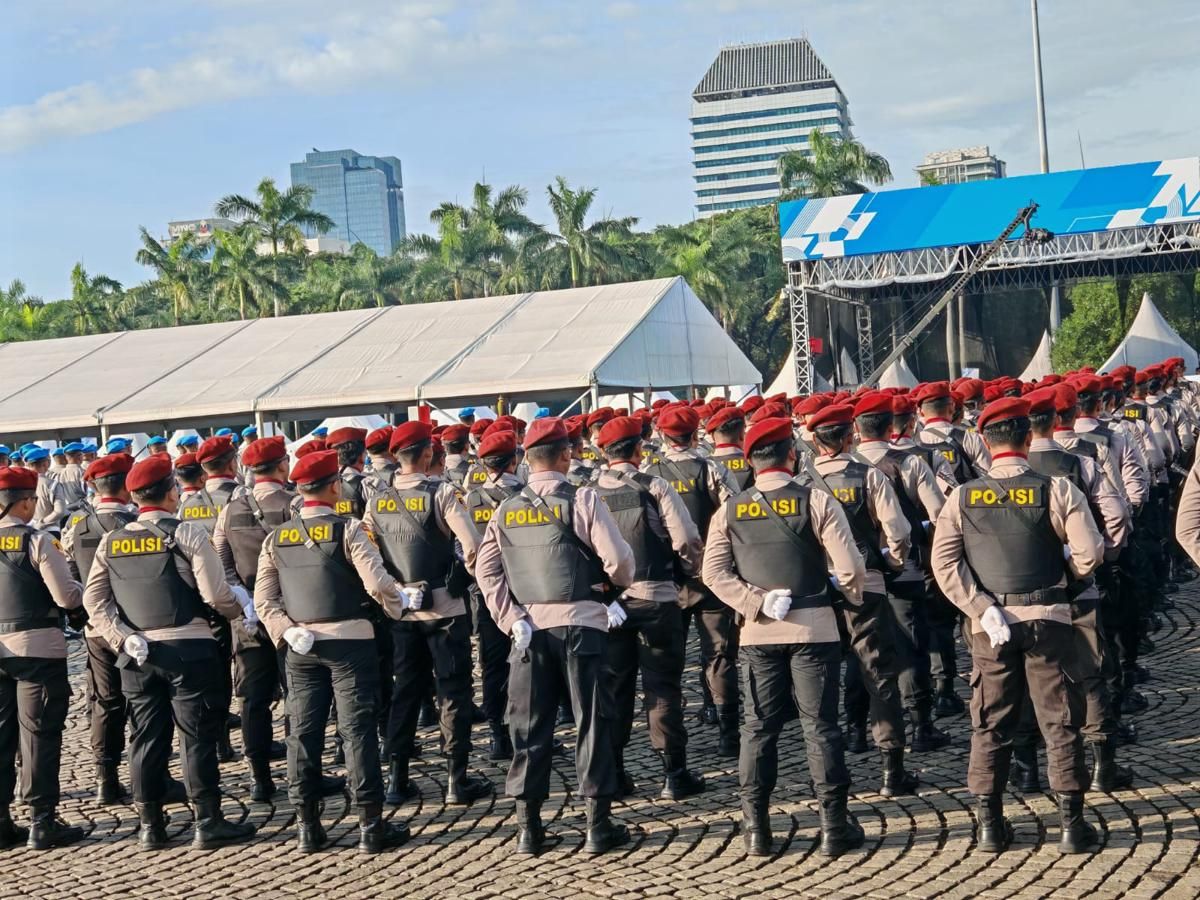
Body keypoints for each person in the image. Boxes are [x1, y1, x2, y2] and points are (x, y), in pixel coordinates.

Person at [931, 397, 1104, 854]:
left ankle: (989, 825)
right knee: (1060, 718)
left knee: (990, 720)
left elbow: (944, 563)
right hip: (1048, 616)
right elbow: (1090, 553)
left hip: (991, 627)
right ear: (1028, 440)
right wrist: (1068, 569)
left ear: (986, 444)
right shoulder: (1058, 489)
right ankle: (1072, 825)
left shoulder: (962, 496)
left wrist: (980, 605)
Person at [703, 416, 867, 857]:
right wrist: (845, 597)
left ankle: (757, 828)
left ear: (751, 462)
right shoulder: (816, 500)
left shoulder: (730, 510)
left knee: (758, 729)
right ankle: (834, 826)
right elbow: (850, 568)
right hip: (815, 627)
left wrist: (753, 600)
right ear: (791, 455)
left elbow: (713, 573)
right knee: (821, 727)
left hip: (759, 632)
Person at [476, 417, 635, 856]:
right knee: (591, 721)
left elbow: (485, 569)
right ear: (566, 455)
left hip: (529, 631)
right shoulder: (582, 498)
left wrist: (511, 619)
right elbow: (618, 559)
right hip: (582, 621)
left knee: (529, 726)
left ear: (527, 459)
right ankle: (597, 825)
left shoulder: (506, 509)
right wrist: (613, 586)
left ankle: (530, 829)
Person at [82, 455, 257, 851]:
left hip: (138, 656)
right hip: (189, 648)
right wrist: (240, 608)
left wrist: (122, 636)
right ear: (170, 491)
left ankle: (150, 825)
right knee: (196, 736)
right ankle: (208, 821)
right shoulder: (188, 534)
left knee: (145, 737)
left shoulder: (113, 540)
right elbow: (215, 594)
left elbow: (95, 601)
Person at [253, 449, 411, 854]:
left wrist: (286, 631)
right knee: (357, 732)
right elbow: (377, 584)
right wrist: (399, 608)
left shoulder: (277, 537)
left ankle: (308, 826)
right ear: (334, 487)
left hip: (301, 648)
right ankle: (370, 827)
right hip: (350, 640)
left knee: (302, 733)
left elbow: (264, 601)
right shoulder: (350, 529)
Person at [364, 421, 492, 808]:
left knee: (405, 690)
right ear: (426, 455)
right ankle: (457, 779)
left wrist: (395, 590)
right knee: (452, 690)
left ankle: (397, 779)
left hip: (403, 610)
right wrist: (462, 577)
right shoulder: (443, 494)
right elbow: (472, 545)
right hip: (445, 608)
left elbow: (369, 556)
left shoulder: (375, 501)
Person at [593, 415, 708, 795]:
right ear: (638, 450)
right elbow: (687, 537)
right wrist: (687, 572)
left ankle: (616, 773)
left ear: (604, 452)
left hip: (610, 606)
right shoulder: (655, 486)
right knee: (663, 687)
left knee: (614, 688)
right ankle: (674, 775)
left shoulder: (587, 492)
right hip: (657, 596)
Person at [851, 392, 951, 753]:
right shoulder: (909, 463)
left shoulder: (828, 470)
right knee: (911, 647)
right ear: (893, 426)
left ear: (856, 429)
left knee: (860, 650)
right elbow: (939, 513)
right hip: (905, 568)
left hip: (854, 574)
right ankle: (921, 725)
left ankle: (856, 730)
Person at [643, 405, 741, 751]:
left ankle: (671, 738)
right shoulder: (711, 468)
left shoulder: (647, 473)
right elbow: (733, 512)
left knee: (667, 657)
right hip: (709, 575)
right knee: (719, 653)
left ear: (663, 436)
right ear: (696, 434)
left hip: (667, 578)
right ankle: (728, 731)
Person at [0, 465, 86, 850]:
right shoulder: (36, 541)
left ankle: (2, 823)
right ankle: (42, 820)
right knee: (38, 734)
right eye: (33, 500)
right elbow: (67, 597)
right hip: (37, 649)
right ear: (24, 502)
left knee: (1, 737)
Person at [213, 436, 298, 801]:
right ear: (282, 466)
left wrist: (244, 598)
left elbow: (220, 557)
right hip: (292, 613)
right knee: (299, 693)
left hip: (248, 618)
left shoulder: (231, 510)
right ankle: (301, 772)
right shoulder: (293, 504)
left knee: (252, 700)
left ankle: (260, 778)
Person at [62, 452, 139, 805]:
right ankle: (148, 774)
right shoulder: (137, 522)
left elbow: (70, 573)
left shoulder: (76, 525)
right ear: (128, 483)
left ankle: (106, 778)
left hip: (96, 628)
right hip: (137, 625)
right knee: (144, 700)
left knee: (105, 703)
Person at [179, 435, 245, 762]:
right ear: (233, 463)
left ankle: (220, 741)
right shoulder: (244, 498)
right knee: (252, 670)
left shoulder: (186, 506)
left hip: (205, 599)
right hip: (246, 595)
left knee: (216, 672)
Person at [461, 428, 524, 761]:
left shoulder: (469, 499)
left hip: (486, 592)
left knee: (491, 664)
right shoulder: (528, 495)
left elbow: (463, 547)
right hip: (526, 589)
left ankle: (499, 736)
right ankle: (525, 731)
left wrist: (478, 577)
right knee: (528, 663)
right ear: (514, 460)